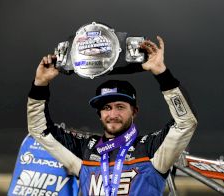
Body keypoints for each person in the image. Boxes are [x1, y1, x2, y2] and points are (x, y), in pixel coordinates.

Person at [27, 36, 197, 195]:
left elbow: (185, 123)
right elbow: (39, 129)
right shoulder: (84, 150)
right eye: (107, 107)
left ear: (134, 111)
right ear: (99, 114)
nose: (113, 114)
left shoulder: (150, 148)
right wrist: (40, 84)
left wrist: (162, 73)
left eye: (120, 107)